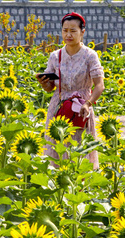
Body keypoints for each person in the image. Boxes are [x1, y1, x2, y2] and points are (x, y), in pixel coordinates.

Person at [35, 12, 104, 168]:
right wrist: (44, 83)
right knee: (56, 148)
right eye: (65, 30)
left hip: (81, 108)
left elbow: (99, 85)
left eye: (73, 31)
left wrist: (89, 103)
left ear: (82, 32)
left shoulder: (90, 56)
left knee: (79, 151)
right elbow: (50, 88)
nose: (68, 34)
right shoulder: (55, 56)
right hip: (58, 108)